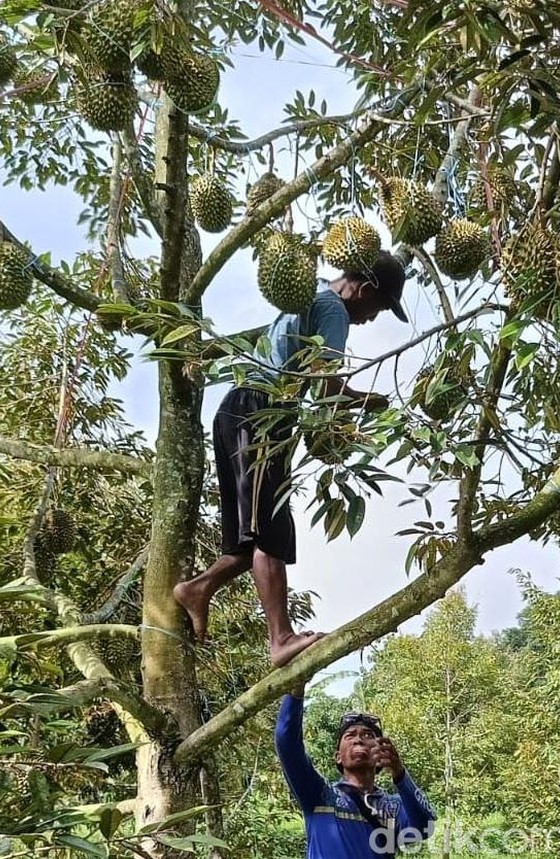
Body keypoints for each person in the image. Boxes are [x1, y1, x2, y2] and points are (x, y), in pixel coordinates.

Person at [174, 252, 409, 666]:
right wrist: (361, 401)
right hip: (263, 413)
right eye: (380, 308)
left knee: (250, 540)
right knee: (270, 533)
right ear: (366, 290)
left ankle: (197, 589)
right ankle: (280, 639)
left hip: (238, 410)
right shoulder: (334, 311)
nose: (373, 319)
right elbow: (324, 386)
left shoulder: (312, 293)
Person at [275, 688, 436, 858]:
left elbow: (425, 827)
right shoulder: (319, 795)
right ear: (338, 757)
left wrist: (400, 774)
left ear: (380, 753)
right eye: (350, 735)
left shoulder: (393, 807)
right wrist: (296, 691)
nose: (358, 739)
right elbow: (287, 742)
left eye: (368, 735)